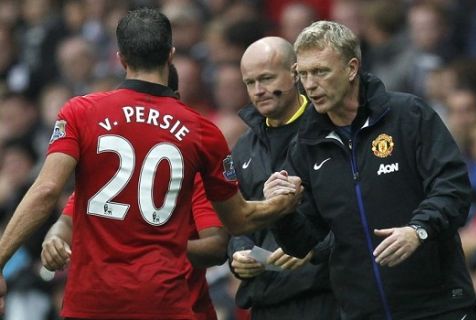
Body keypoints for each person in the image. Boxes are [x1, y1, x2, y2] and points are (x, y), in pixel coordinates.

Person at [0, 8, 302, 320]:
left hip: (90, 304)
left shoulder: (80, 111)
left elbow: (47, 189)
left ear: (120, 59)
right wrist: (283, 203)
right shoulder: (202, 131)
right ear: (170, 55)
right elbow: (240, 219)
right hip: (161, 303)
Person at [265, 21, 476, 319]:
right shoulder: (306, 145)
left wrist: (418, 230)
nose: (310, 85)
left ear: (351, 69)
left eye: (320, 72)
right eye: (302, 74)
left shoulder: (409, 116)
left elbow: (453, 189)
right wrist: (281, 210)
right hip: (362, 311)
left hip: (439, 307)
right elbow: (304, 243)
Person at [40, 64, 225, 320]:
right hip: (107, 306)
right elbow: (66, 221)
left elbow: (217, 247)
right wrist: (54, 239)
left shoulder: (192, 173)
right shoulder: (105, 168)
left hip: (178, 308)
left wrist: (155, 246)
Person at [227, 36, 338, 320]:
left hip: (326, 297)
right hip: (267, 301)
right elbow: (240, 220)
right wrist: (238, 255)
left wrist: (314, 250)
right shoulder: (244, 147)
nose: (258, 91)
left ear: (295, 73)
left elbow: (354, 211)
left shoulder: (330, 130)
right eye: (250, 83)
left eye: (266, 78)